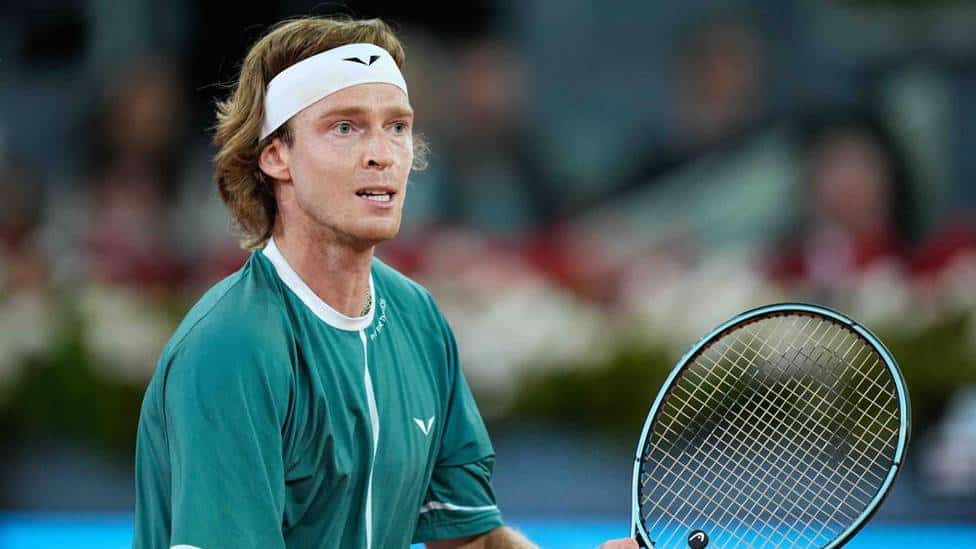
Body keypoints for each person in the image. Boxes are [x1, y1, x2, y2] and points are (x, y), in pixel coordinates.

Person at [132, 16, 634, 549]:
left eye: (396, 126)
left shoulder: (417, 319)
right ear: (276, 155)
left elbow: (472, 542)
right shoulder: (232, 346)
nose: (382, 154)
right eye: (345, 127)